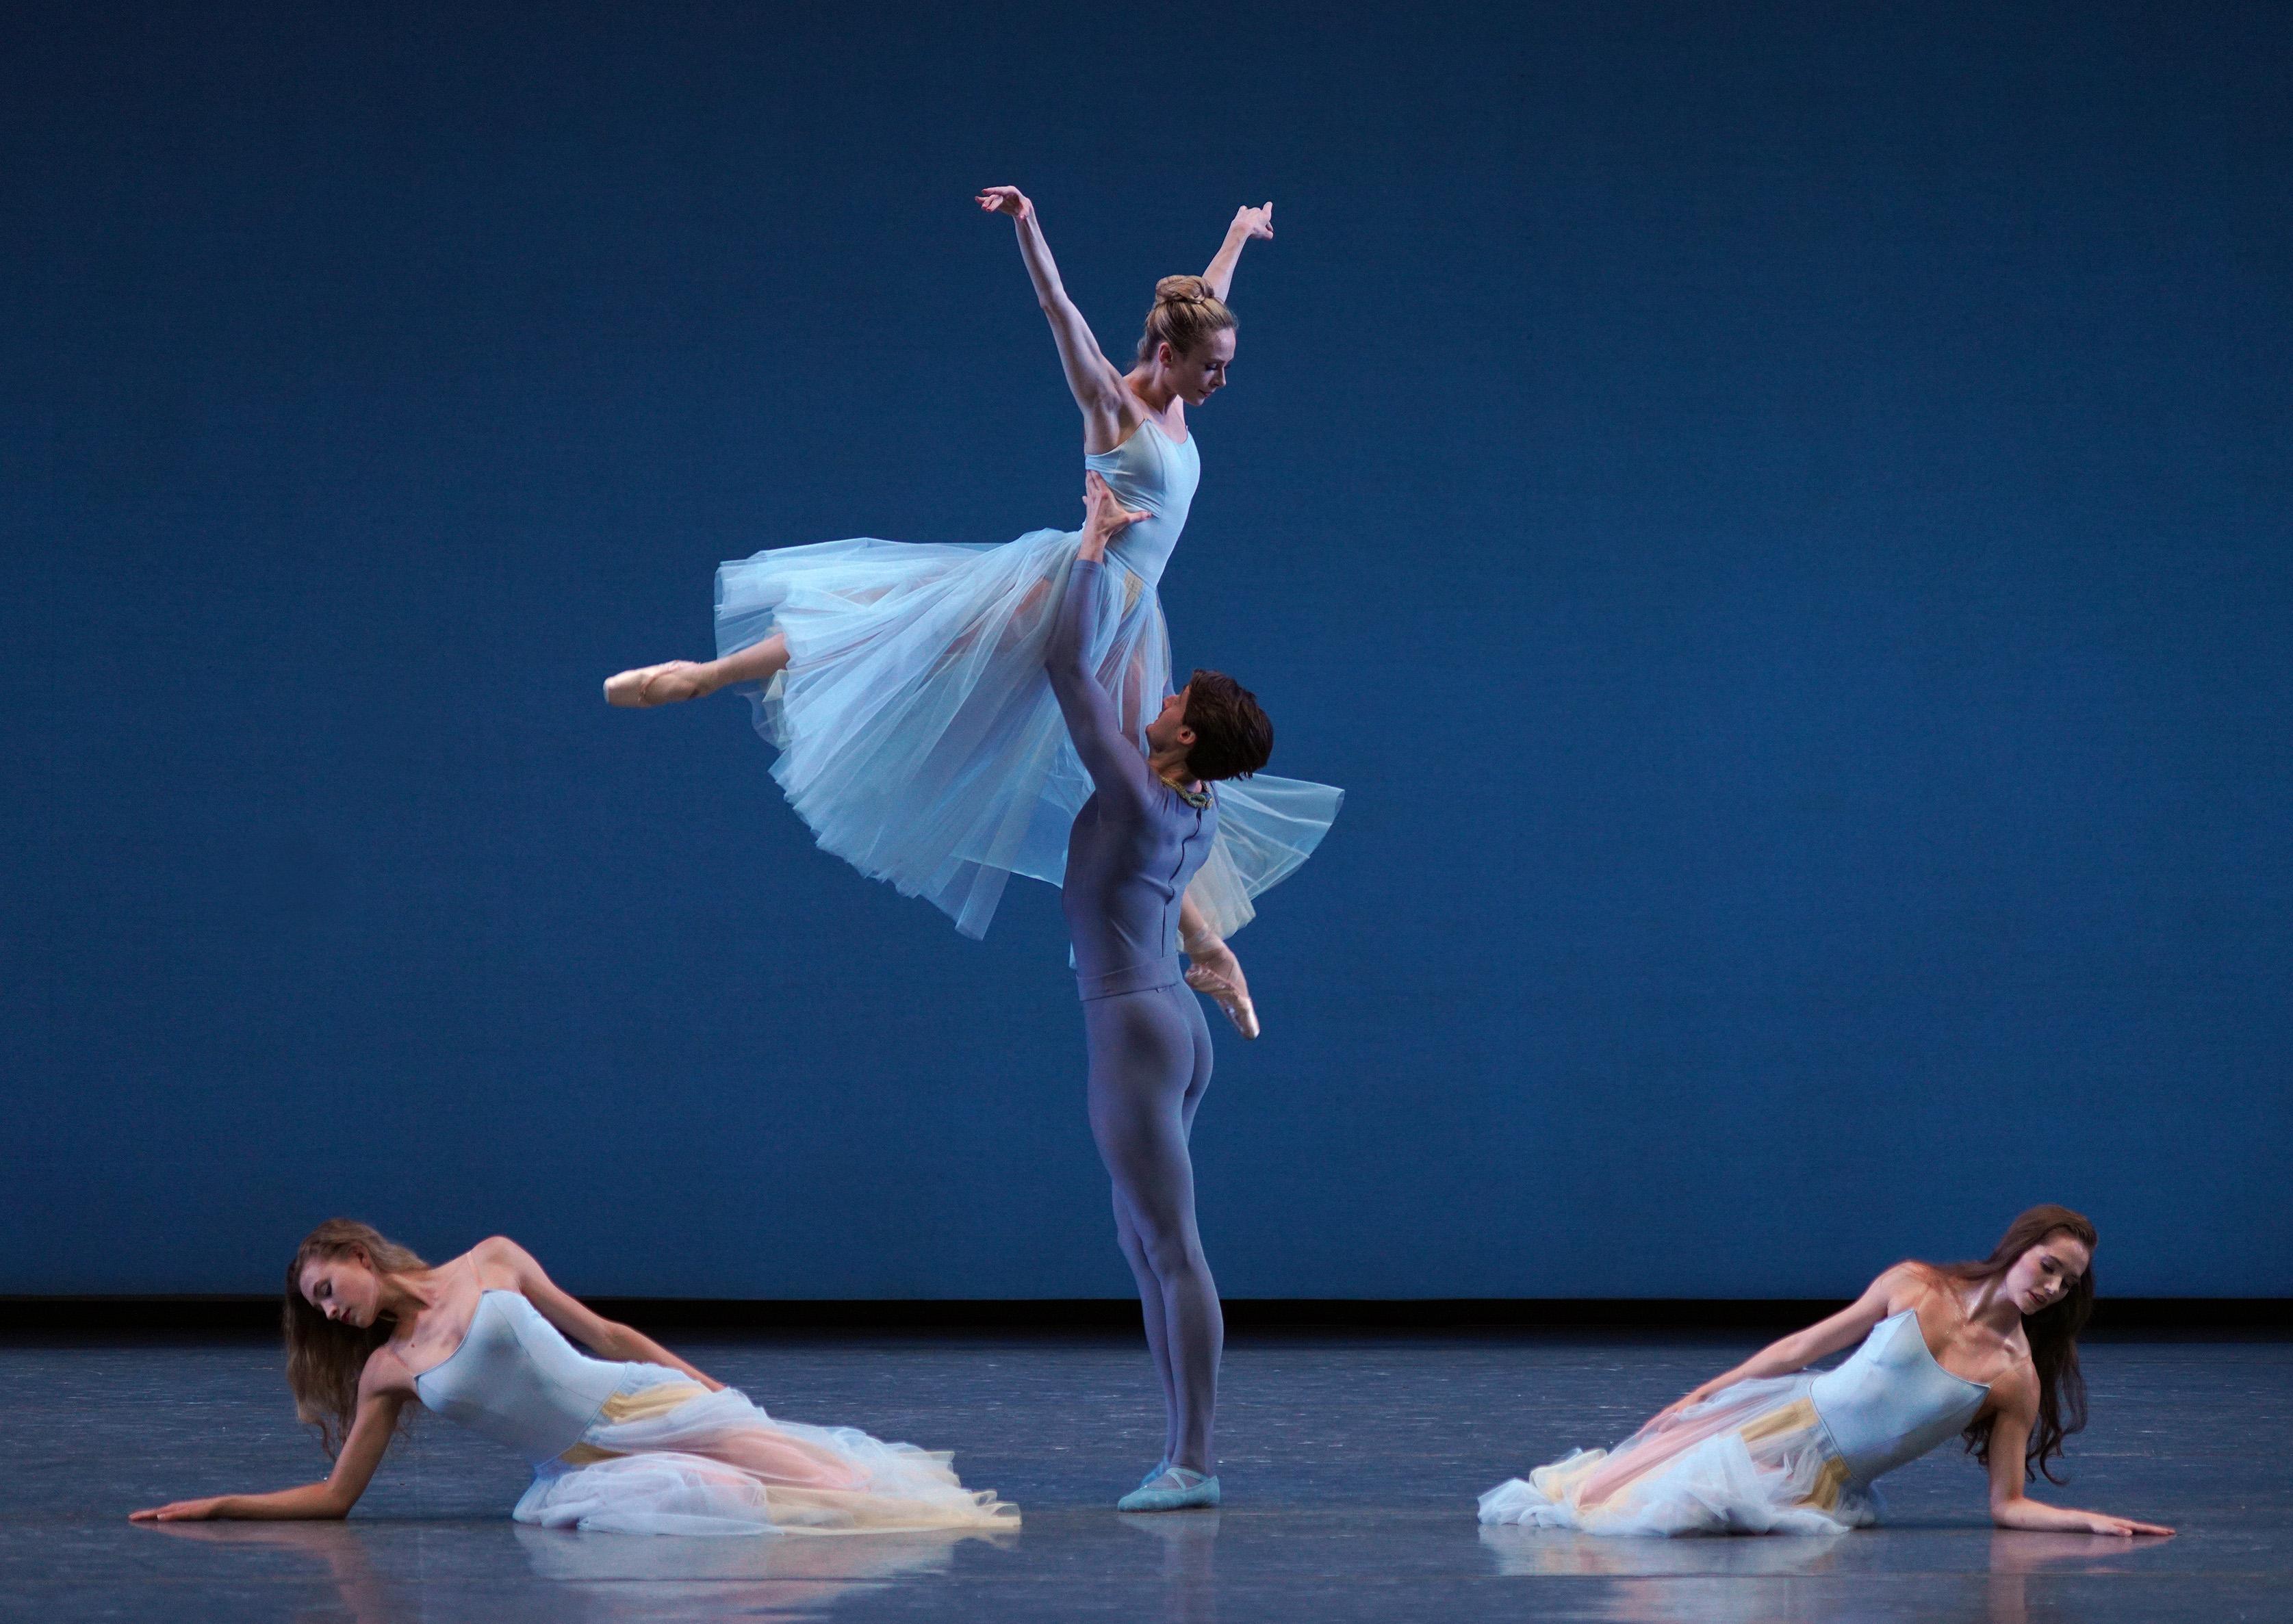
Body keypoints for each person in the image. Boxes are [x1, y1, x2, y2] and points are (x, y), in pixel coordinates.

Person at [600, 188, 1340, 995]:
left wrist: (1235, 234)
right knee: (907, 639)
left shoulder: (1179, 380)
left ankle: (1204, 947)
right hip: (1075, 586)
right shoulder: (1111, 405)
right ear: (1167, 358)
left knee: (1147, 784)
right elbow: (1058, 308)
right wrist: (1028, 225)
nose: (1221, 384)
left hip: (1134, 613)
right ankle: (706, 675)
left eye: (1225, 368)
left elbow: (1203, 303)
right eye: (1213, 369)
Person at [131, 1222, 1017, 1536]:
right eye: (316, 1309)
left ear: (356, 1256)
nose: (329, 1312)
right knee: (730, 1507)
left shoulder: (489, 1260)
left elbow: (605, 1332)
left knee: (846, 1489)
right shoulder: (387, 1372)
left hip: (645, 1405)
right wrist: (217, 1505)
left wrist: (719, 1395)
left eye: (327, 1290)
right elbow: (334, 1498)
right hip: (587, 1464)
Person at [1043, 472, 1268, 1512]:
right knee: (1144, 1244)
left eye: (1173, 702)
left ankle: (1195, 1461)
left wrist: (1091, 541)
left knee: (1170, 1248)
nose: (1161, 698)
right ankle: (1178, 1452)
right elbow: (1172, 899)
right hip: (1165, 1022)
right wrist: (1214, 953)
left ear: (1181, 740)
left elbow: (1062, 662)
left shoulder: (1138, 794)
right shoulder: (1192, 805)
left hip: (1131, 1027)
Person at [1477, 1206, 2175, 1538]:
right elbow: (1802, 1346)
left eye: (2066, 1283)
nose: (2051, 1286)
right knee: (1603, 1503)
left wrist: (2082, 1520)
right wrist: (1710, 1389)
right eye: (2047, 1266)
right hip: (1774, 1420)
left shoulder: (2013, 1377)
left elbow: (2004, 1505)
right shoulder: (1914, 1286)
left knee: (1684, 1529)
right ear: (2019, 1250)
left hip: (1822, 1483)